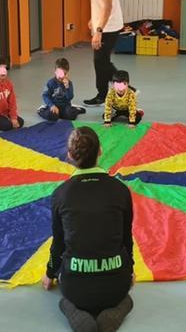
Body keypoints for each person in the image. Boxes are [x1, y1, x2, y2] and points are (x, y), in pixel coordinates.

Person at [43, 127, 135, 332]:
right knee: (127, 300)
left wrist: (50, 272)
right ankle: (115, 313)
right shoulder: (120, 190)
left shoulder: (61, 194)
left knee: (66, 296)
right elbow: (126, 238)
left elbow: (58, 244)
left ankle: (70, 309)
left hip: (74, 289)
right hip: (116, 288)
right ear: (100, 151)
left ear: (69, 155)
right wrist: (130, 270)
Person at [74, 0, 124, 106]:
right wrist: (93, 19)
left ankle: (118, 90)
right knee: (101, 61)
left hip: (109, 26)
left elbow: (108, 7)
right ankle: (110, 92)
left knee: (101, 61)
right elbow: (99, 3)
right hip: (102, 23)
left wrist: (99, 30)